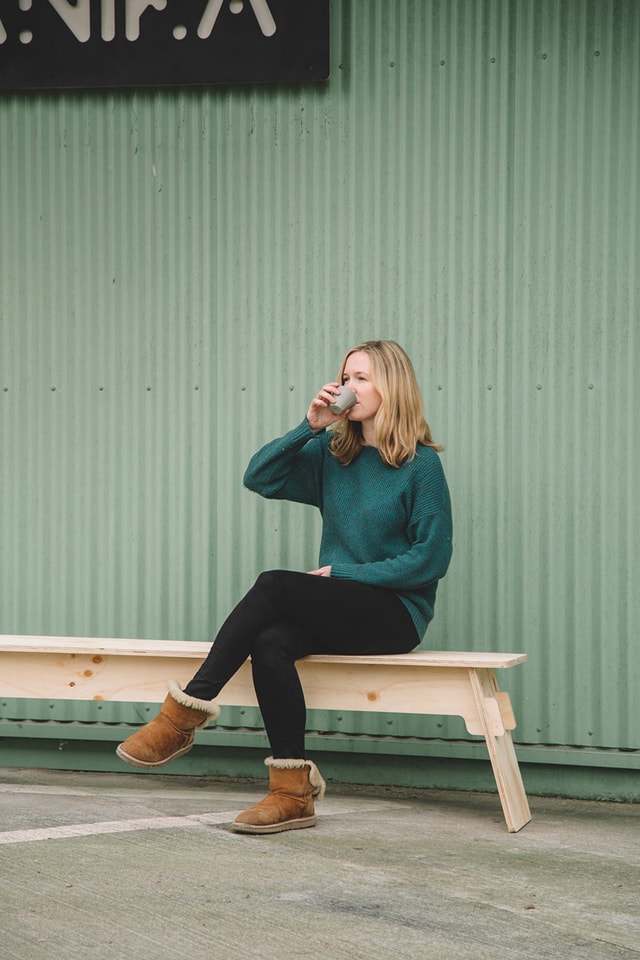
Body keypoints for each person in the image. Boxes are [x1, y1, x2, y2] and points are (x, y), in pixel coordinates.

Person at [116, 340, 453, 834]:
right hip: (342, 605)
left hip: (396, 614)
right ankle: (291, 793)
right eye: (345, 377)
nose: (347, 387)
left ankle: (182, 716)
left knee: (274, 585)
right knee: (270, 642)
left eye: (362, 377)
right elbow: (260, 477)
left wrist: (344, 574)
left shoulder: (420, 465)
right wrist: (309, 427)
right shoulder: (332, 455)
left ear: (391, 386)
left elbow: (430, 559)